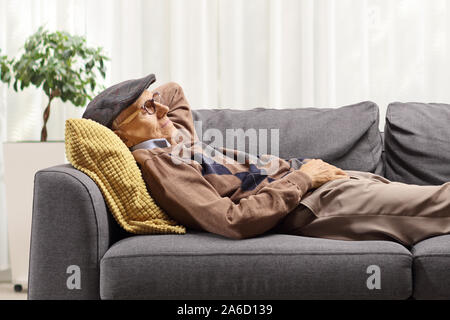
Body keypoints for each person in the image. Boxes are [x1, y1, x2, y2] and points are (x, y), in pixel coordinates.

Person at [82, 74, 450, 247]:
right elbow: (232, 220)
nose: (161, 108)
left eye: (153, 101)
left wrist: (150, 112)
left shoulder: (172, 142)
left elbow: (173, 90)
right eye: (147, 108)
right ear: (122, 136)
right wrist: (304, 179)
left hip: (319, 183)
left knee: (435, 202)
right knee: (439, 206)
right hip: (311, 203)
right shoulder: (161, 165)